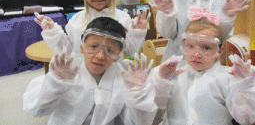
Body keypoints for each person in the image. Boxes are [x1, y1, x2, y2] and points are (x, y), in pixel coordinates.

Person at [23, 17, 157, 125]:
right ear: (82, 47)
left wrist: (138, 95)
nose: (100, 56)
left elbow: (136, 122)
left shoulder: (122, 82)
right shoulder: (67, 75)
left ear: (118, 56)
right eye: (93, 46)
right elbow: (37, 110)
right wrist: (55, 84)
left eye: (110, 50)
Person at [149, 5, 255, 125]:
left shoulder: (227, 78)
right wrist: (161, 80)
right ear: (183, 45)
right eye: (190, 46)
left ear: (219, 51)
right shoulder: (174, 73)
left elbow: (245, 117)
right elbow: (155, 103)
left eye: (206, 47)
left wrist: (244, 85)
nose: (197, 54)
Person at [35, 0, 150, 59]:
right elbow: (66, 52)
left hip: (113, 79)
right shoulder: (76, 21)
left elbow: (130, 51)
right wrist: (53, 33)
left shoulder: (123, 18)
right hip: (82, 78)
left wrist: (137, 32)